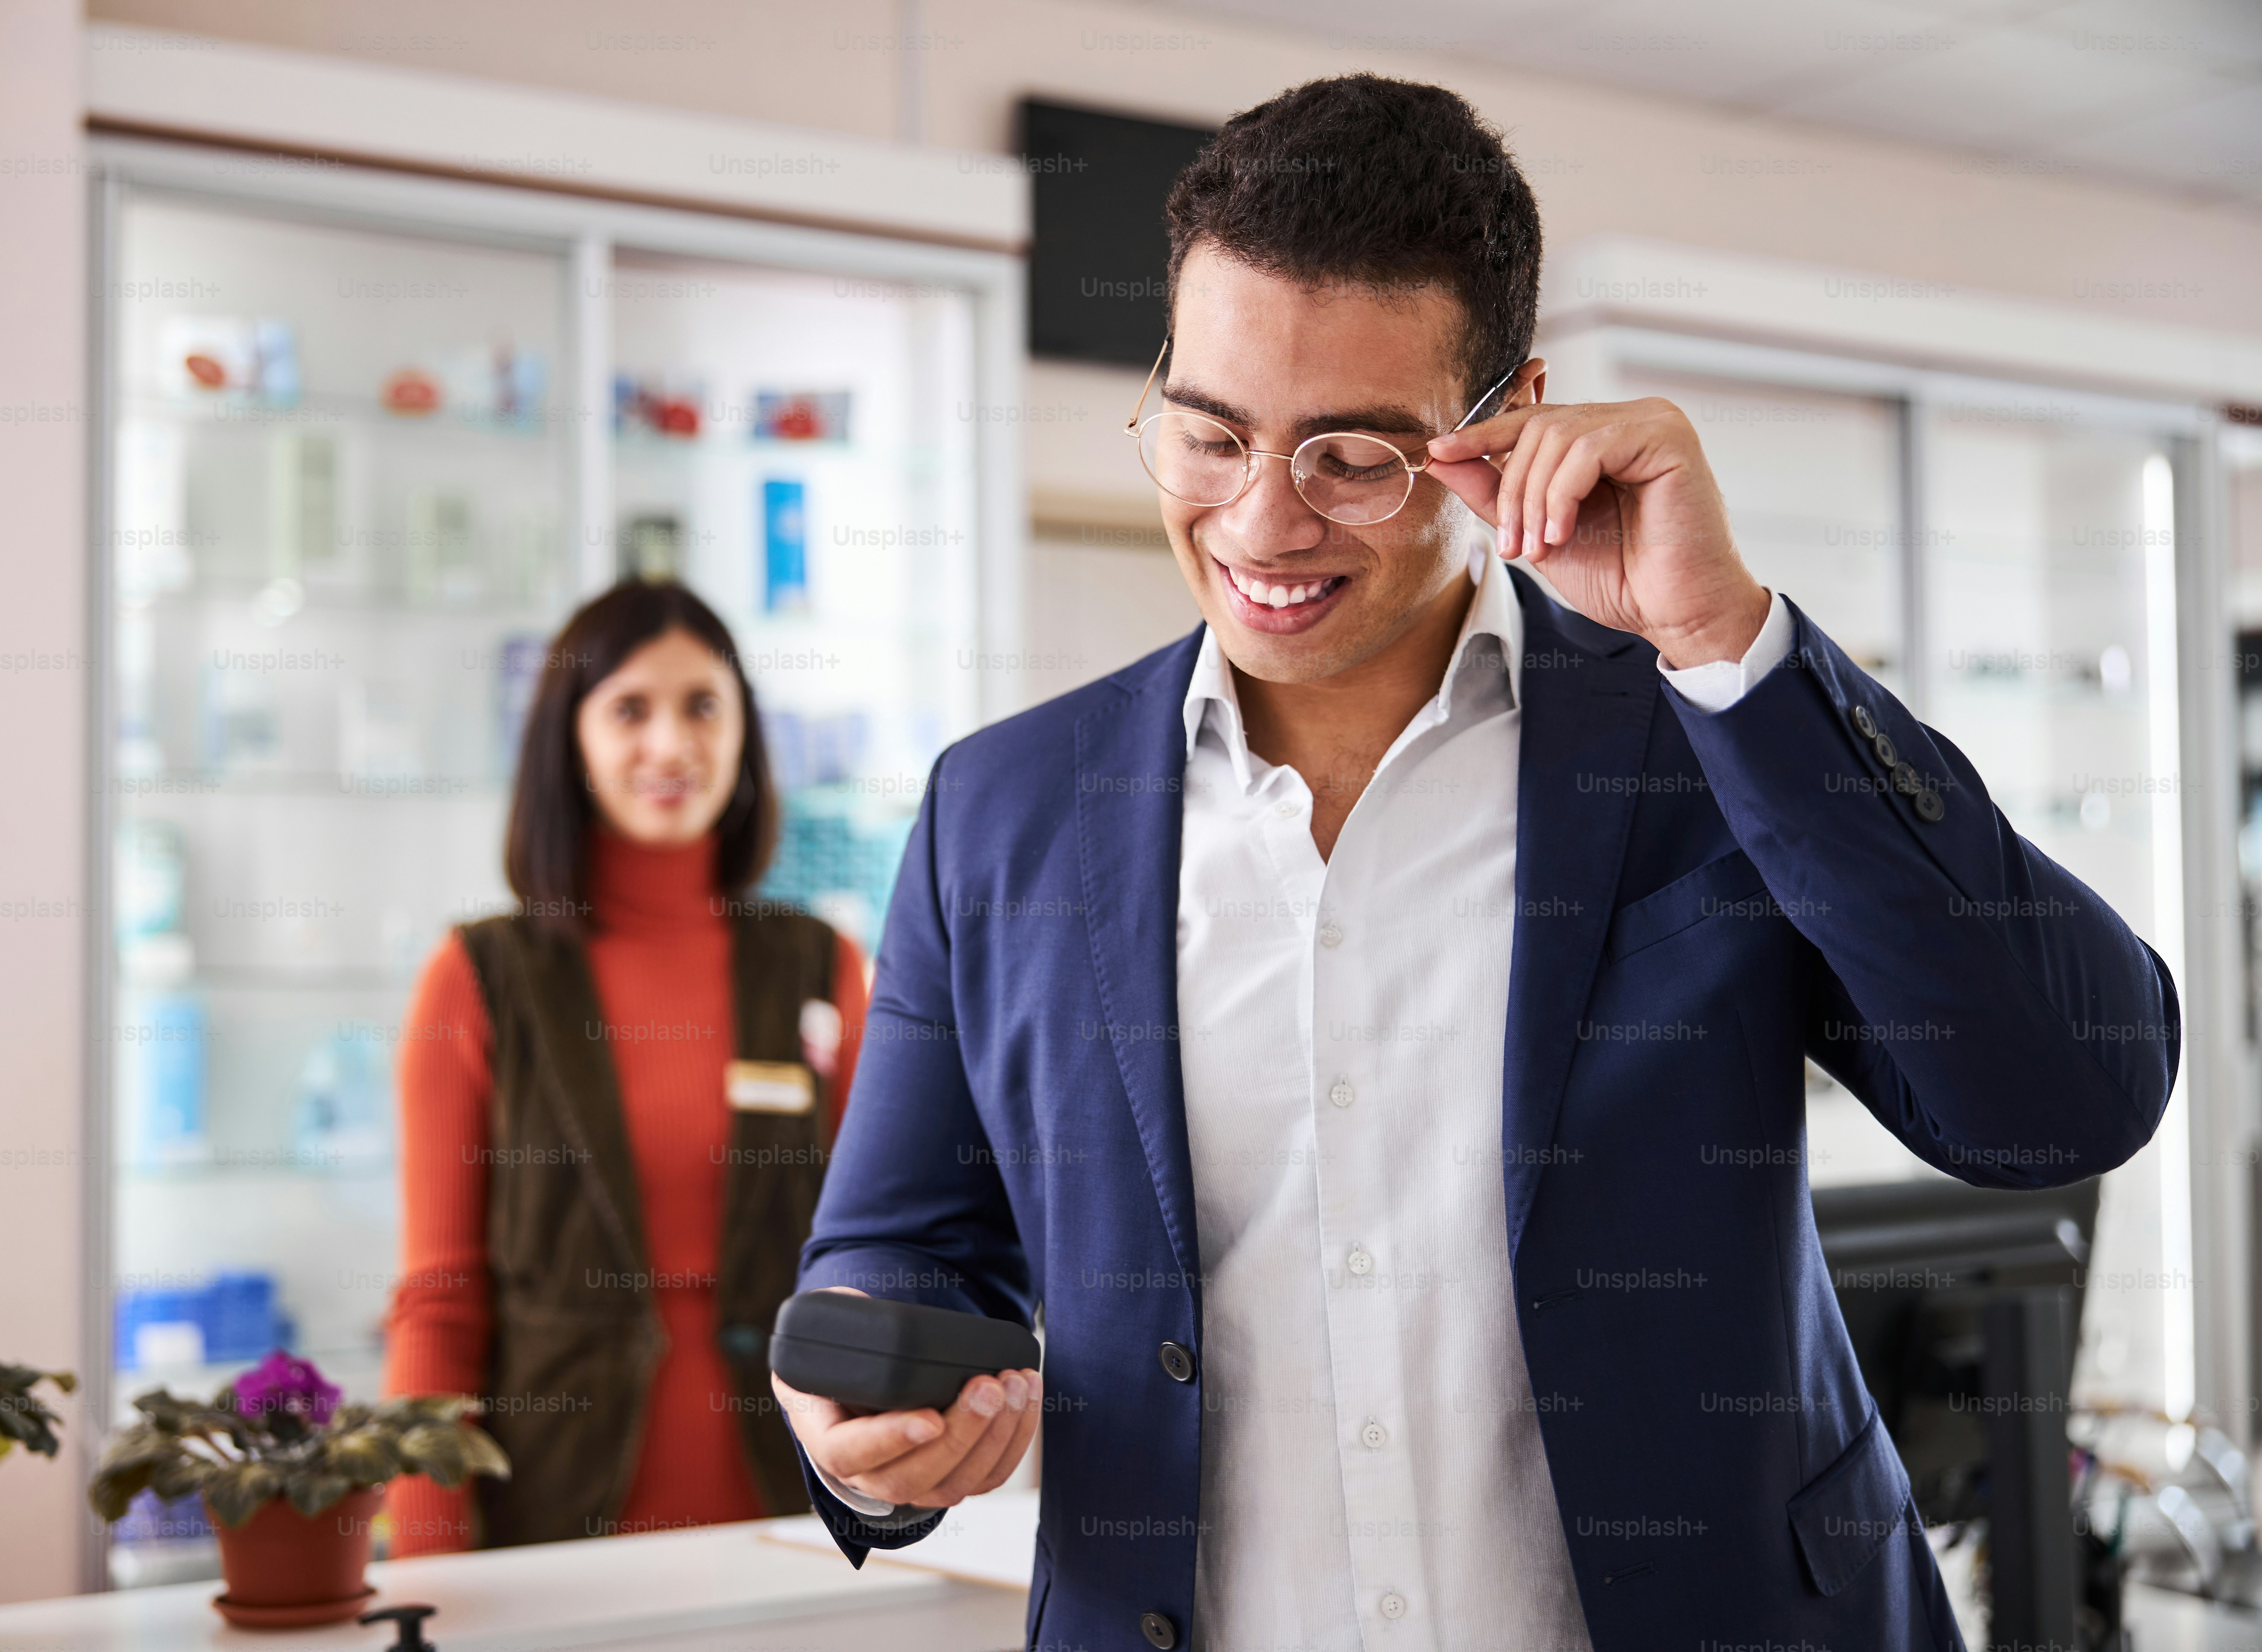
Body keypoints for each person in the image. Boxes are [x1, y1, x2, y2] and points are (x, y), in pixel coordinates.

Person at [775, 74, 2178, 1652]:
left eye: (1353, 458)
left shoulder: (1704, 739)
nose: (1261, 521)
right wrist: (872, 1430)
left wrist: (1730, 650)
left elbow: (2074, 1090)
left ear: (1506, 415)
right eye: (1208, 432)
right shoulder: (1003, 808)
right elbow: (897, 1242)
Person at [383, 579, 866, 1554]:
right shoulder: (480, 978)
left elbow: (876, 1252)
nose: (671, 746)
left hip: (796, 1528)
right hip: (554, 1529)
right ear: (572, 740)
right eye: (630, 710)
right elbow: (441, 1300)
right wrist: (428, 1563)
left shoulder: (819, 965)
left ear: (744, 734)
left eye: (703, 705)